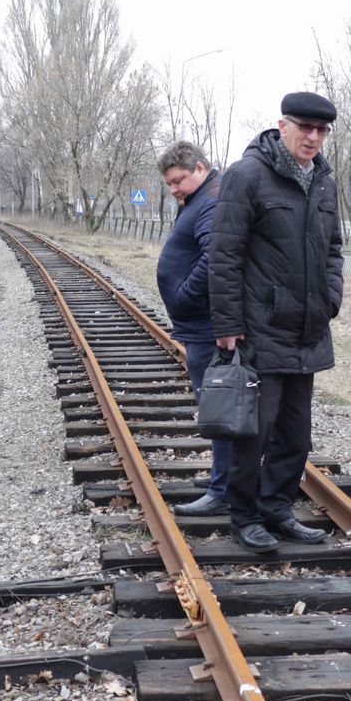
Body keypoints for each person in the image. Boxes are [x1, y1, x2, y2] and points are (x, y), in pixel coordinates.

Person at [208, 92, 344, 553]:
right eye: (305, 127)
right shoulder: (247, 176)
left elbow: (334, 249)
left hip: (307, 328)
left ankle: (278, 508)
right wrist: (227, 322)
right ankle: (244, 516)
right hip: (259, 327)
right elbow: (224, 254)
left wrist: (331, 299)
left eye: (322, 130)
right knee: (254, 431)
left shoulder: (324, 180)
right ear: (282, 125)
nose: (313, 137)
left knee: (295, 433)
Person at [154, 141, 229, 518]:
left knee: (219, 407)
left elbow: (214, 260)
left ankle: (223, 489)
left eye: (178, 181)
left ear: (200, 168)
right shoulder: (198, 199)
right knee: (213, 404)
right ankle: (221, 476)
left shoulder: (212, 201)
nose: (173, 190)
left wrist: (182, 296)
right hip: (199, 325)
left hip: (206, 325)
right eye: (168, 184)